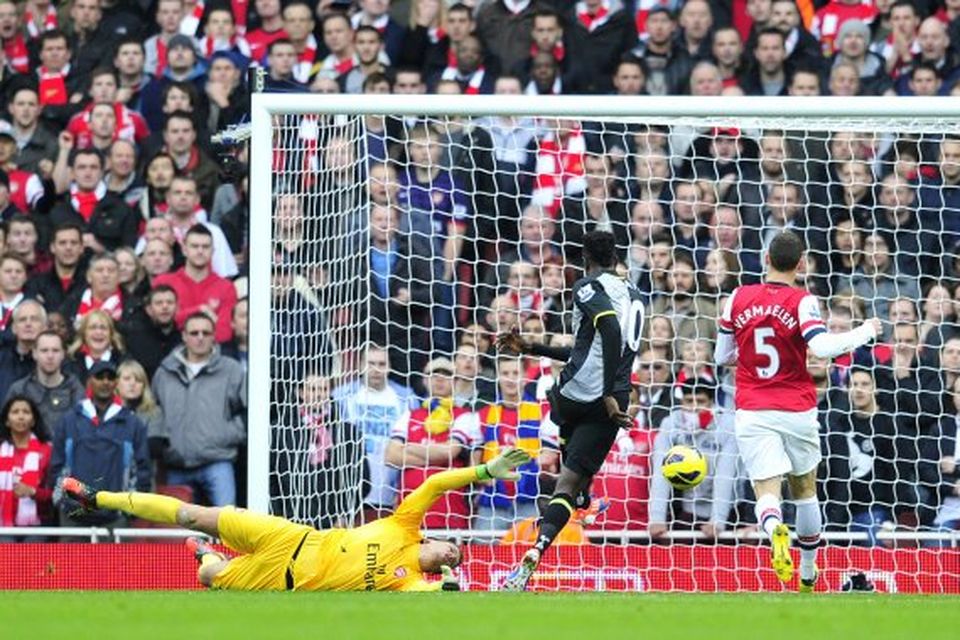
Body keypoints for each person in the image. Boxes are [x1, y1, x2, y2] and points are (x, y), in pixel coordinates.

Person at [62, 447, 531, 591]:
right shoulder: (406, 526)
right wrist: (485, 471)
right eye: (451, 547)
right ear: (433, 539)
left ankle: (204, 557)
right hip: (293, 537)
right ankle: (97, 496)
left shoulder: (407, 582)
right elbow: (432, 486)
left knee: (210, 575)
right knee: (192, 513)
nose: (450, 554)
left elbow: (438, 597)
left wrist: (451, 585)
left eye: (454, 558)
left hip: (281, 580)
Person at [714, 230, 881, 591]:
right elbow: (821, 347)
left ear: (766, 260)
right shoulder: (802, 300)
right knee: (806, 490)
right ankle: (807, 570)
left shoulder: (736, 298)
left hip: (753, 408)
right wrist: (865, 330)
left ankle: (775, 529)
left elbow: (721, 357)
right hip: (797, 408)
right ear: (801, 264)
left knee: (767, 491)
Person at [494, 230, 643, 590]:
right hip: (614, 402)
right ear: (616, 256)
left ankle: (562, 513)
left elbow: (607, 328)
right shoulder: (635, 294)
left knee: (557, 408)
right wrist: (532, 346)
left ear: (583, 257)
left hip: (583, 394)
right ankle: (571, 509)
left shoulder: (587, 286)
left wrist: (604, 391)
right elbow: (585, 348)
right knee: (571, 481)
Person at [151, 312, 246, 507]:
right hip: (176, 463)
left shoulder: (232, 370)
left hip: (218, 460)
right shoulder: (165, 371)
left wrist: (226, 435)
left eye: (206, 332)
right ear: (184, 336)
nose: (200, 337)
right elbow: (154, 408)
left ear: (214, 336)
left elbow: (246, 413)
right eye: (194, 333)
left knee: (227, 524)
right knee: (173, 529)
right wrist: (160, 440)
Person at [49, 360, 150, 528]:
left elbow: (143, 469)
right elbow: (56, 465)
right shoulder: (69, 420)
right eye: (99, 377)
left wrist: (130, 508)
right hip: (72, 516)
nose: (105, 382)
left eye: (110, 377)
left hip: (116, 518)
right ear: (89, 381)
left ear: (115, 383)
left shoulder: (132, 423)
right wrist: (62, 501)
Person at [5, 330, 85, 434]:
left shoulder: (75, 388)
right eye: (44, 350)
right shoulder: (19, 389)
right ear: (34, 353)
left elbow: (83, 429)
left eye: (55, 350)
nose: (50, 356)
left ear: (63, 354)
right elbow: (5, 427)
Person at [0, 395, 52, 538]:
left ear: (33, 420)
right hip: (3, 526)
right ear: (7, 420)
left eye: (26, 412)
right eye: (15, 412)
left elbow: (57, 493)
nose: (21, 416)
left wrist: (34, 492)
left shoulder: (47, 451)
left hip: (37, 526)